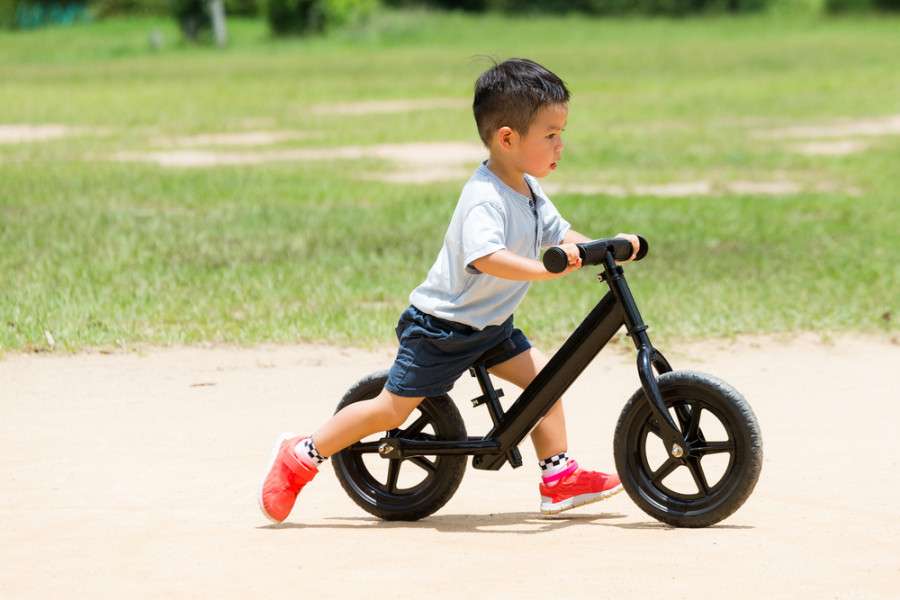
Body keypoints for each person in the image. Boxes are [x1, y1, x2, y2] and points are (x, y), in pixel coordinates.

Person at [260, 58, 640, 523]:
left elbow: (561, 235)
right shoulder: (484, 197)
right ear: (507, 139)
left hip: (491, 328)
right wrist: (542, 271)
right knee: (390, 411)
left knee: (548, 383)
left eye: (561, 133)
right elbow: (486, 257)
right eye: (551, 134)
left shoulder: (529, 189)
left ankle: (558, 478)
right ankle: (302, 454)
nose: (561, 144)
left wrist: (607, 247)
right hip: (441, 328)